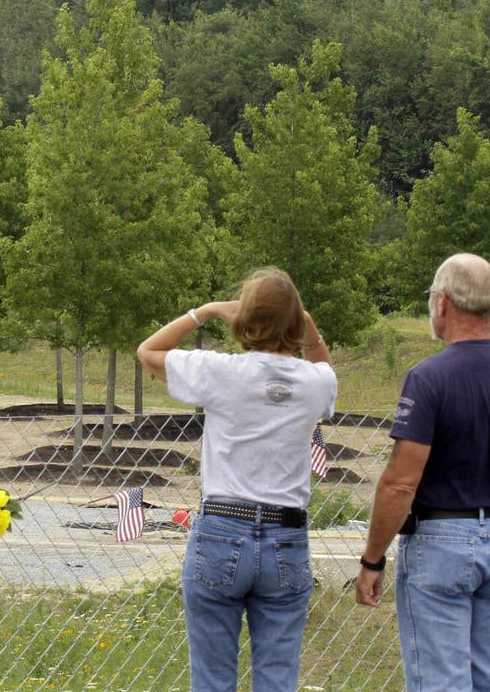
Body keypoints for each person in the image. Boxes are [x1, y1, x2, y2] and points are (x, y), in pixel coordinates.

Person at [354, 253, 490, 691]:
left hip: (440, 541)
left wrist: (373, 558)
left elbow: (401, 481)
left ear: (442, 304)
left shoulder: (428, 379)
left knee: (439, 682)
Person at [138, 267, 336, 692]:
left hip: (221, 530)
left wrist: (203, 312)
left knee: (211, 679)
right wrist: (308, 327)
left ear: (243, 319)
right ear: (297, 322)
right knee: (278, 678)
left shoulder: (219, 371)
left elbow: (148, 351)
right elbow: (323, 363)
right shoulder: (317, 383)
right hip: (287, 536)